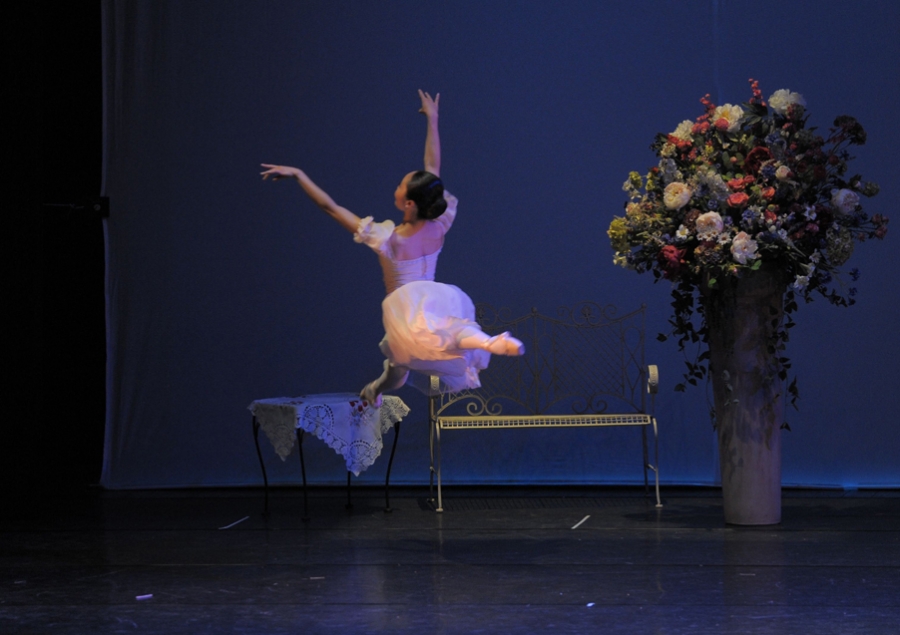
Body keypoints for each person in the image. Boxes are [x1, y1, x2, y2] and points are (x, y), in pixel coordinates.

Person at [261, 90, 524, 403]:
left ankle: (380, 388)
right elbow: (432, 165)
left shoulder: (388, 239)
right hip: (435, 300)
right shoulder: (439, 224)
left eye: (401, 185)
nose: (396, 186)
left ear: (409, 203)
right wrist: (433, 120)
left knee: (402, 367)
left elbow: (331, 208)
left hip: (406, 313)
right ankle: (486, 342)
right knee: (451, 334)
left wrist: (299, 175)